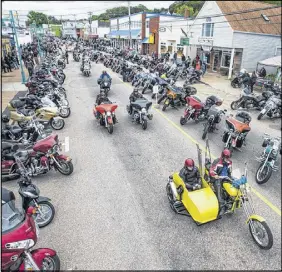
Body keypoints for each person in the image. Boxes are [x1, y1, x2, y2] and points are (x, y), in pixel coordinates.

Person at [209, 149, 232, 216]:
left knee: (235, 183)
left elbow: (230, 172)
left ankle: (231, 200)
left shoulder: (230, 162)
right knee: (219, 187)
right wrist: (215, 175)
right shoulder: (217, 161)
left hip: (225, 178)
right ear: (223, 156)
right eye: (226, 157)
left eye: (228, 157)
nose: (227, 159)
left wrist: (231, 178)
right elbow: (211, 170)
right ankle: (222, 206)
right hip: (217, 178)